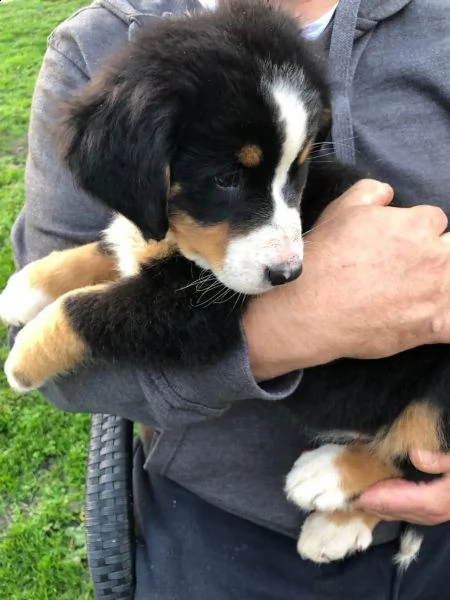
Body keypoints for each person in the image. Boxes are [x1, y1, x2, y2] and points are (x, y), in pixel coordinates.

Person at [9, 0, 450, 597]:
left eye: (299, 171)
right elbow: (64, 377)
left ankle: (367, 479)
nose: (287, 249)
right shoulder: (95, 51)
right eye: (225, 179)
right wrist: (294, 327)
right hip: (223, 525)